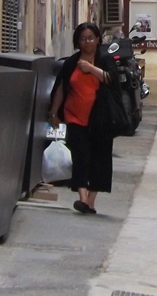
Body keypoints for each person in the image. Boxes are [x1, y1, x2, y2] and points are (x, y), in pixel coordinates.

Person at [49, 22, 120, 214]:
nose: (87, 42)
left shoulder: (104, 58)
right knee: (80, 156)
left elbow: (111, 79)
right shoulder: (72, 62)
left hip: (100, 119)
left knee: (100, 157)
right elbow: (61, 88)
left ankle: (90, 200)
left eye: (91, 38)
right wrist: (54, 113)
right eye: (83, 38)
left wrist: (90, 68)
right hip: (75, 116)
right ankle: (82, 197)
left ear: (97, 40)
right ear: (77, 41)